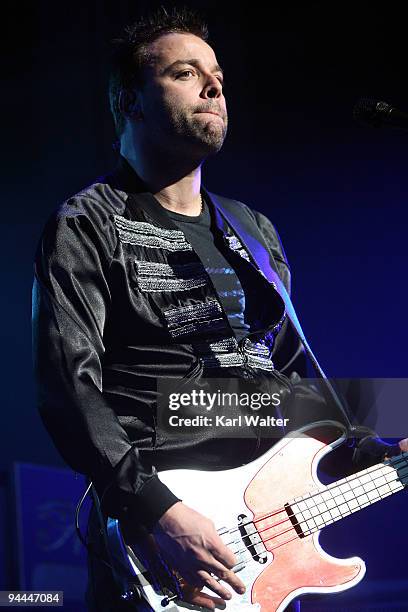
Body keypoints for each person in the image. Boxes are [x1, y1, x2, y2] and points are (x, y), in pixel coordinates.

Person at [31, 6, 407, 611]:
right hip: (165, 526)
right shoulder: (88, 223)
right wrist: (158, 510)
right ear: (130, 98)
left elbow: (294, 384)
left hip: (267, 530)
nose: (213, 87)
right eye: (185, 72)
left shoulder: (253, 230)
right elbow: (66, 387)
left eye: (219, 77)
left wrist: (372, 453)